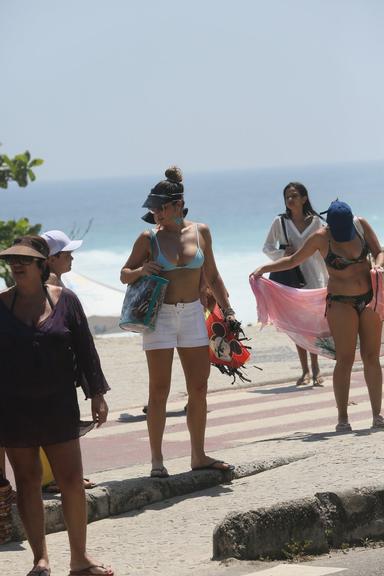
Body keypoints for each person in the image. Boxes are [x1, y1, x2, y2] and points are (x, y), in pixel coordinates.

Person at [0, 235, 113, 576]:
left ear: (42, 264)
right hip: (14, 407)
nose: (16, 265)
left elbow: (85, 349)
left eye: (24, 260)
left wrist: (97, 393)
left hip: (59, 403)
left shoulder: (67, 301)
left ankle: (79, 559)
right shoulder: (0, 304)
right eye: (11, 260)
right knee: (28, 481)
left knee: (71, 481)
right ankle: (41, 560)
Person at [120, 166, 236, 477]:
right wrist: (142, 270)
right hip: (161, 317)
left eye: (160, 206)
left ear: (178, 204)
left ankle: (198, 455)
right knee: (159, 390)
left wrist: (228, 311)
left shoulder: (201, 232)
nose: (155, 212)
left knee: (199, 387)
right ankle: (157, 461)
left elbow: (212, 275)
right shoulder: (148, 238)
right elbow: (124, 274)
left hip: (193, 315)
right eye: (152, 208)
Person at [252, 199, 384, 432]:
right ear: (330, 225)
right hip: (340, 302)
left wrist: (379, 266)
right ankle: (343, 418)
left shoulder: (361, 225)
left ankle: (377, 415)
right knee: (345, 359)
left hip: (370, 298)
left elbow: (379, 251)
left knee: (372, 357)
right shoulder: (321, 237)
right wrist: (264, 269)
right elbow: (293, 260)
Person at [41, 229, 95, 493]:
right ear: (51, 258)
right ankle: (62, 478)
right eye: (67, 254)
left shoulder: (36, 286)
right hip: (55, 369)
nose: (71, 258)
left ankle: (56, 477)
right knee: (59, 427)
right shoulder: (56, 288)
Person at [263, 182, 328, 386]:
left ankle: (316, 368)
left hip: (315, 278)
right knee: (298, 327)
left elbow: (328, 247)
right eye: (287, 197)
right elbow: (267, 247)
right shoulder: (280, 222)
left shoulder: (318, 222)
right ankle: (305, 370)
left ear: (304, 198)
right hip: (291, 281)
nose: (290, 200)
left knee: (314, 326)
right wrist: (283, 254)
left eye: (294, 196)